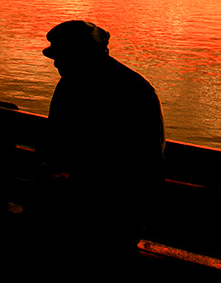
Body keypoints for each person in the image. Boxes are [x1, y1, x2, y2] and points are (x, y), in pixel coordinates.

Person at [37, 20, 166, 262]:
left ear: (84, 55)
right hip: (83, 201)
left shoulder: (133, 91)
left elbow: (142, 165)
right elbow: (55, 142)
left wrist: (77, 178)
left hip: (116, 210)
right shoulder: (71, 84)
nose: (56, 63)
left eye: (61, 57)